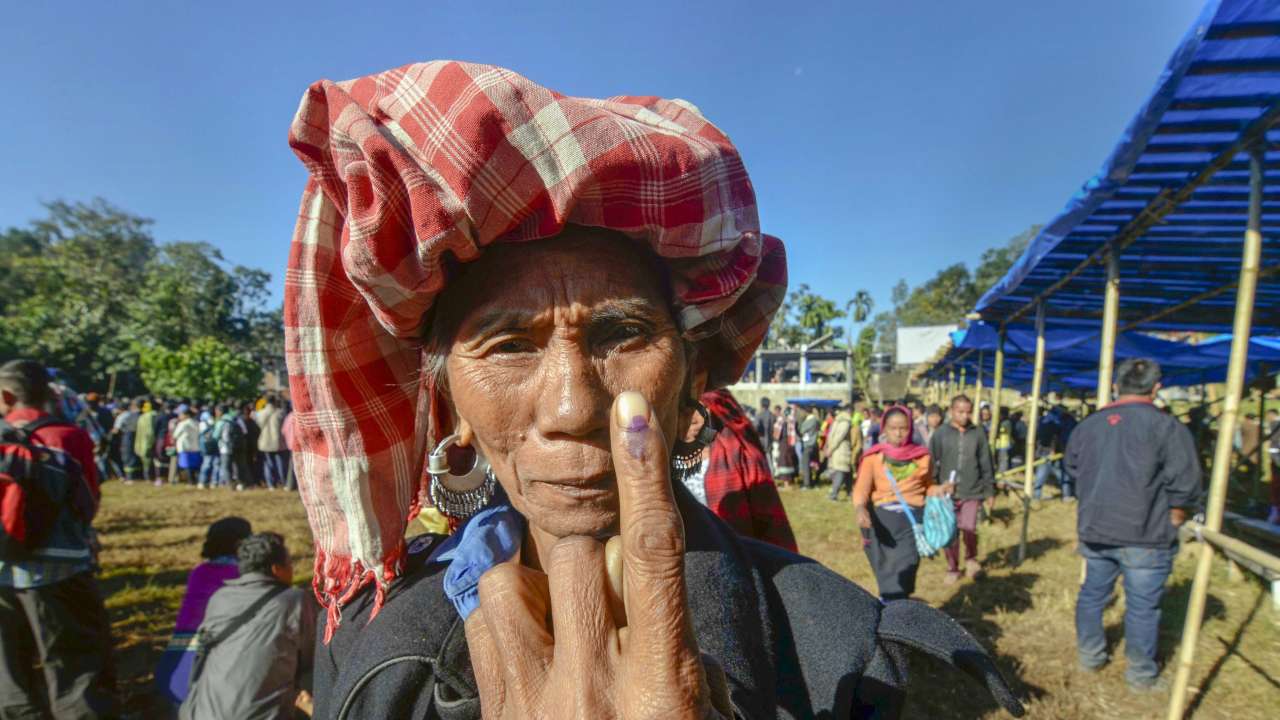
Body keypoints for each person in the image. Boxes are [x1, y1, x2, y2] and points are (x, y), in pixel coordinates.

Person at [283, 61, 1021, 719]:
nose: (574, 408)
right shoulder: (385, 664)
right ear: (450, 410)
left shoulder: (841, 653)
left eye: (622, 335)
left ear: (693, 380)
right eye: (508, 346)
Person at [1066, 358, 1202, 692]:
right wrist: (1176, 516)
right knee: (1142, 607)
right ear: (1156, 389)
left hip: (1097, 529)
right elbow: (1186, 483)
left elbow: (1072, 469)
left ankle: (1090, 656)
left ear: (1115, 386)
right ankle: (1141, 676)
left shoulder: (1089, 426)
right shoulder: (1167, 427)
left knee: (1092, 596)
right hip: (1146, 534)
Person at [0, 359, 118, 718]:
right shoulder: (68, 437)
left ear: (6, 396)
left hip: (3, 568)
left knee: (8, 671)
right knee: (76, 665)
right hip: (60, 571)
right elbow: (88, 503)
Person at [180, 532, 316, 720]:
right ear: (276, 569)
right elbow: (311, 660)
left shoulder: (220, 598)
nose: (292, 569)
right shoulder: (295, 600)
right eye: (290, 564)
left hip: (204, 713)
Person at [673, 389, 797, 551]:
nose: (694, 419)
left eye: (702, 409)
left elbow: (769, 521)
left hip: (732, 555)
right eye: (685, 411)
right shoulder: (663, 455)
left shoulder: (739, 453)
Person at [154, 517, 253, 708]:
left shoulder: (199, 572)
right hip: (207, 673)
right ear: (242, 543)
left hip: (174, 667)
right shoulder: (240, 575)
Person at [853, 406, 945, 602]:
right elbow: (862, 489)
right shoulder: (874, 458)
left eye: (903, 428)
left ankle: (897, 605)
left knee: (907, 562)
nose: (898, 433)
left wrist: (938, 491)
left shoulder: (922, 457)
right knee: (886, 567)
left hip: (911, 520)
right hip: (882, 520)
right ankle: (891, 605)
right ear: (884, 428)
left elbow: (927, 486)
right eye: (893, 428)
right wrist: (860, 508)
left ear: (910, 428)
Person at [929, 395, 996, 584]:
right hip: (946, 493)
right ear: (951, 411)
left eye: (968, 412)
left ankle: (971, 559)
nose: (965, 416)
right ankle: (952, 567)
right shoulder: (940, 433)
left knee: (969, 528)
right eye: (960, 412)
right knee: (950, 533)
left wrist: (989, 490)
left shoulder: (978, 433)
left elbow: (986, 462)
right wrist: (932, 486)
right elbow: (932, 462)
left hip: (972, 490)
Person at [824, 401, 861, 501]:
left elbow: (831, 436)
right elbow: (839, 436)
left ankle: (850, 493)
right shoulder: (845, 421)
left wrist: (829, 447)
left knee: (847, 472)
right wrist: (831, 449)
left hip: (837, 449)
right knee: (841, 471)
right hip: (841, 449)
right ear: (850, 411)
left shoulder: (838, 420)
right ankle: (834, 495)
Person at [255, 395, 288, 490]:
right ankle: (284, 482)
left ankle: (271, 484)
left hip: (264, 442)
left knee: (268, 464)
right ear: (274, 402)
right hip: (278, 442)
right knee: (280, 463)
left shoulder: (260, 413)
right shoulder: (280, 413)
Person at [172, 406, 202, 486]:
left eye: (180, 414)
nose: (179, 416)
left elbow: (175, 435)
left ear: (186, 415)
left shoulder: (183, 424)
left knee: (187, 465)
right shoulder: (196, 423)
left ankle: (190, 482)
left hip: (185, 448)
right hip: (195, 447)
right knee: (194, 466)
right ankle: (195, 480)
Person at [772, 404, 799, 487]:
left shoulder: (781, 420)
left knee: (784, 461)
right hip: (789, 442)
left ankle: (786, 482)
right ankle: (788, 481)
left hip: (784, 443)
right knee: (788, 461)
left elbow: (776, 433)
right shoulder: (792, 421)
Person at [798, 404, 820, 489]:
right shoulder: (816, 420)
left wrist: (801, 422)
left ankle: (807, 484)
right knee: (811, 465)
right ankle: (811, 482)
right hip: (813, 444)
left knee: (806, 465)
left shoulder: (810, 421)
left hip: (809, 444)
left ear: (806, 412)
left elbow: (802, 430)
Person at [753, 397, 776, 473]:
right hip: (770, 439)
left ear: (761, 405)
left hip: (761, 440)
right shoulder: (772, 416)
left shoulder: (759, 415)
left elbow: (755, 428)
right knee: (770, 458)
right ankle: (771, 473)